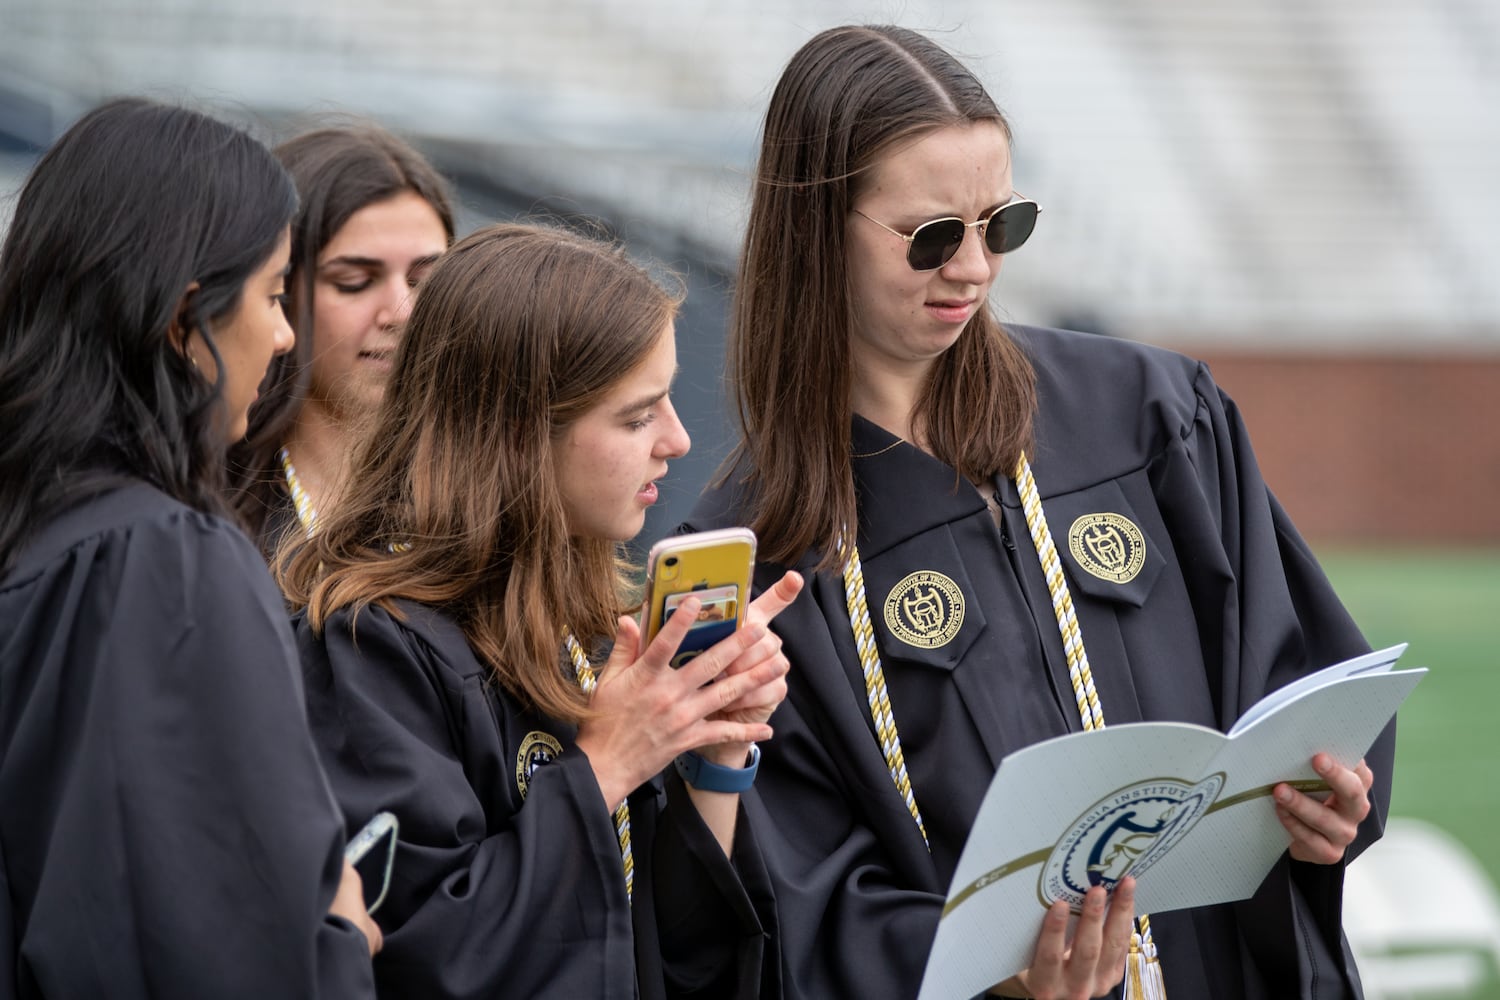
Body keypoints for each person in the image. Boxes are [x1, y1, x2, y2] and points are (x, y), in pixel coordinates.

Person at [683, 24, 1391, 1000]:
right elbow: (790, 880)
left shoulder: (1144, 415)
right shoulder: (762, 557)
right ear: (817, 228)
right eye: (933, 236)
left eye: (1001, 224)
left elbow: (1289, 665)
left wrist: (1329, 793)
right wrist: (977, 963)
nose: (973, 268)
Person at [279, 222, 804, 999]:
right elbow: (423, 957)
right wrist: (608, 765)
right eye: (637, 416)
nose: (680, 440)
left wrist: (715, 748)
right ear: (518, 437)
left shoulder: (587, 628)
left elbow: (678, 961)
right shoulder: (367, 646)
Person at [0, 98, 380, 998]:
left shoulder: (43, 536)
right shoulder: (165, 562)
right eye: (273, 292)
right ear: (183, 322)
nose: (286, 335)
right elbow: (221, 938)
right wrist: (334, 928)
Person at [227, 123, 454, 552]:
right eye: (354, 281)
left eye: (425, 280)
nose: (402, 313)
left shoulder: (494, 507)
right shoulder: (197, 510)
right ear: (277, 288)